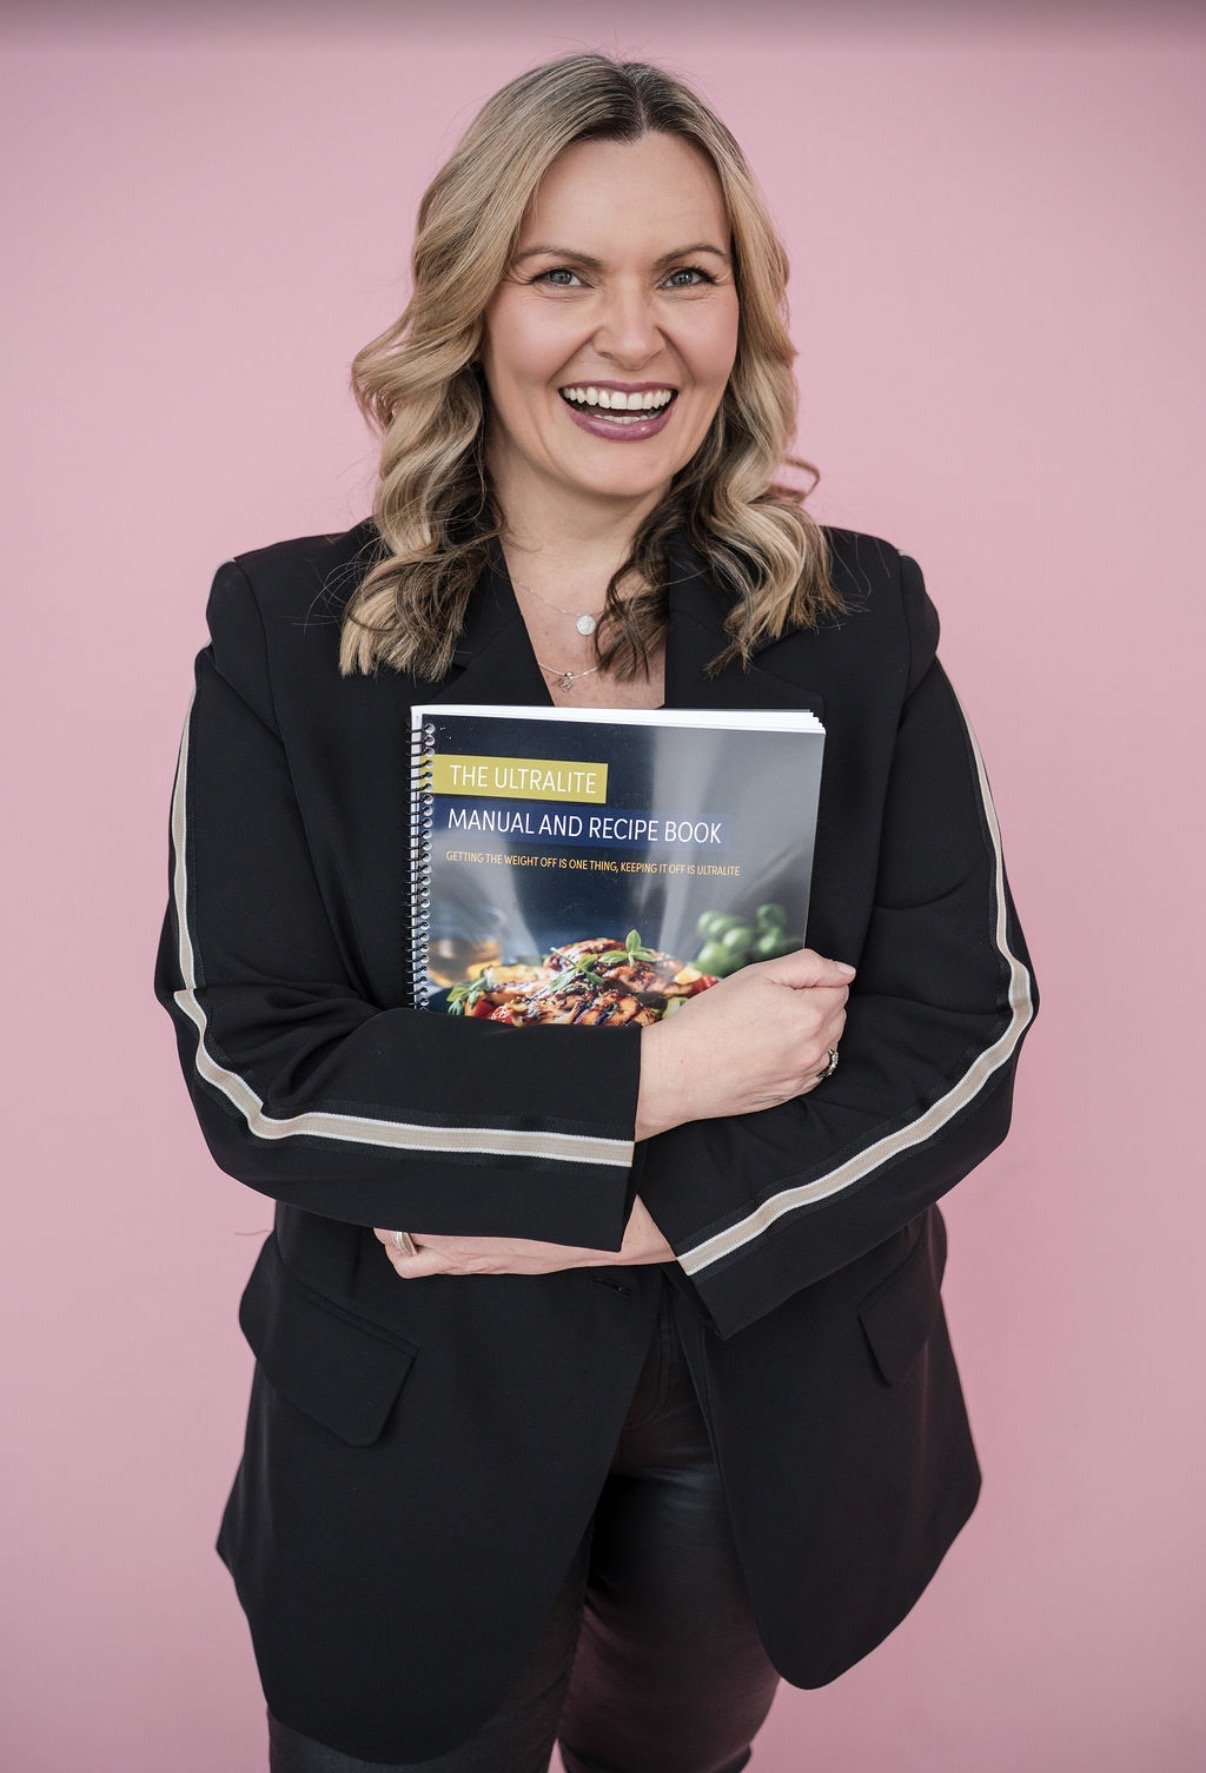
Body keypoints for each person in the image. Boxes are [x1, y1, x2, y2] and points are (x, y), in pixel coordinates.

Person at [154, 51, 1041, 1773]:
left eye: (683, 276)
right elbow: (257, 1065)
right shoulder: (284, 634)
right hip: (410, 1419)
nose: (630, 337)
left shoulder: (860, 625)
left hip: (756, 1421)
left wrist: (621, 1217)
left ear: (741, 313)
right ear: (474, 304)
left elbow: (961, 1036)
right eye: (564, 273)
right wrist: (662, 1075)